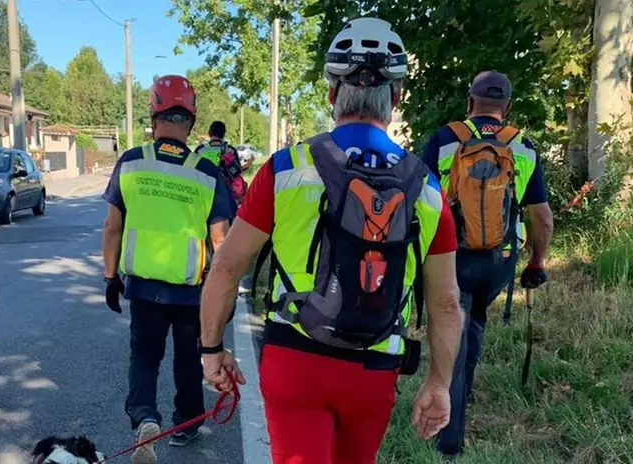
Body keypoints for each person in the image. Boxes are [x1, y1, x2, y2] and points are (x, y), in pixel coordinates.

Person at [198, 18, 465, 464]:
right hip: (374, 365)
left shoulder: (286, 168)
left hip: (295, 358)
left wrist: (210, 350)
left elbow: (227, 265)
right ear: (395, 99)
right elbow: (446, 303)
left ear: (330, 94)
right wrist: (438, 384)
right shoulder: (428, 187)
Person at [100, 75, 234, 464]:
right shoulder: (206, 173)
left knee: (144, 356)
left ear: (154, 116)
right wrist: (223, 296)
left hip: (143, 287)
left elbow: (112, 226)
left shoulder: (131, 162)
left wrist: (111, 277)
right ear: (191, 121)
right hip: (192, 289)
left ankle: (145, 417)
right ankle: (187, 422)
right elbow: (220, 241)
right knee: (188, 357)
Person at [421, 70, 554, 456]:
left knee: (452, 323)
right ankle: (462, 393)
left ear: (470, 102)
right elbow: (542, 217)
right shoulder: (523, 146)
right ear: (506, 108)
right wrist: (537, 263)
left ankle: (449, 431)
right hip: (500, 258)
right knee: (474, 319)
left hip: (451, 253)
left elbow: (421, 202)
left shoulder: (445, 140)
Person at [195, 120, 246, 215]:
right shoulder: (230, 150)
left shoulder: (201, 150)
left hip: (203, 194)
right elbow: (237, 172)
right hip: (227, 195)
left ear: (210, 133)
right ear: (223, 134)